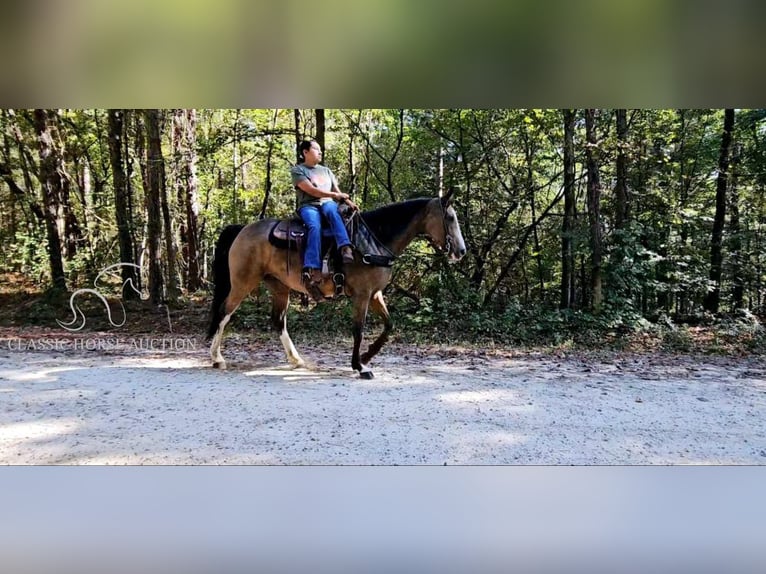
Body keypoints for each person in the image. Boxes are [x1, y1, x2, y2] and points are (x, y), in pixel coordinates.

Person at [291, 140, 357, 293]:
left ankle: (345, 247)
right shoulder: (298, 170)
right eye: (316, 149)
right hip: (309, 205)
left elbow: (336, 189)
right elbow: (311, 191)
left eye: (320, 150)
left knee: (334, 213)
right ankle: (313, 267)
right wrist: (335, 195)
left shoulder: (326, 170)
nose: (320, 152)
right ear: (305, 152)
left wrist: (349, 202)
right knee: (314, 226)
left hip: (327, 203)